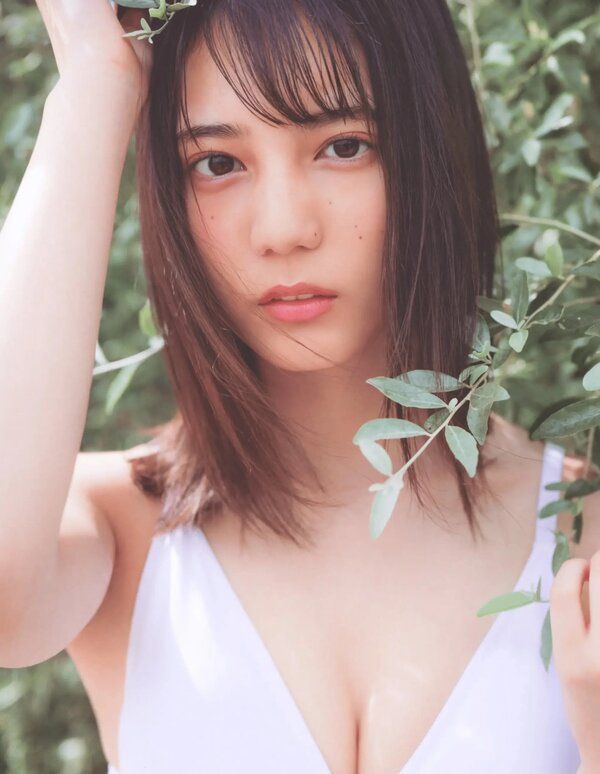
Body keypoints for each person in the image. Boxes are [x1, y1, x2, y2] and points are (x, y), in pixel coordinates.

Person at [1, 1, 599, 772]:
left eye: (344, 147)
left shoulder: (582, 536)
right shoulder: (117, 532)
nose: (283, 229)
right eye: (217, 163)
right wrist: (94, 83)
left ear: (432, 153)